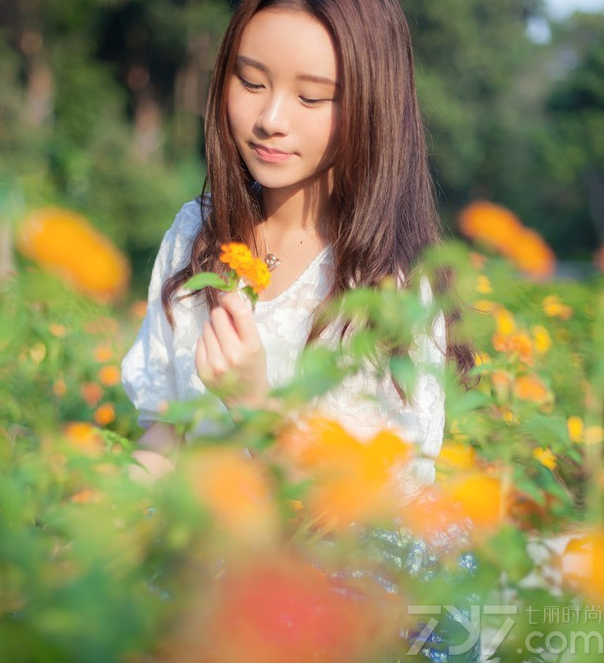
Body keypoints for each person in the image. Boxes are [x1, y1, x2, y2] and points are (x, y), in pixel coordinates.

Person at [122, 1, 479, 659]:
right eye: (251, 81)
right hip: (207, 550)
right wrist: (92, 541)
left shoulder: (392, 284)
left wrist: (256, 404)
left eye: (313, 97)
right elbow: (161, 430)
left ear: (373, 106)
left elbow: (373, 521)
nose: (270, 119)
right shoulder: (194, 235)